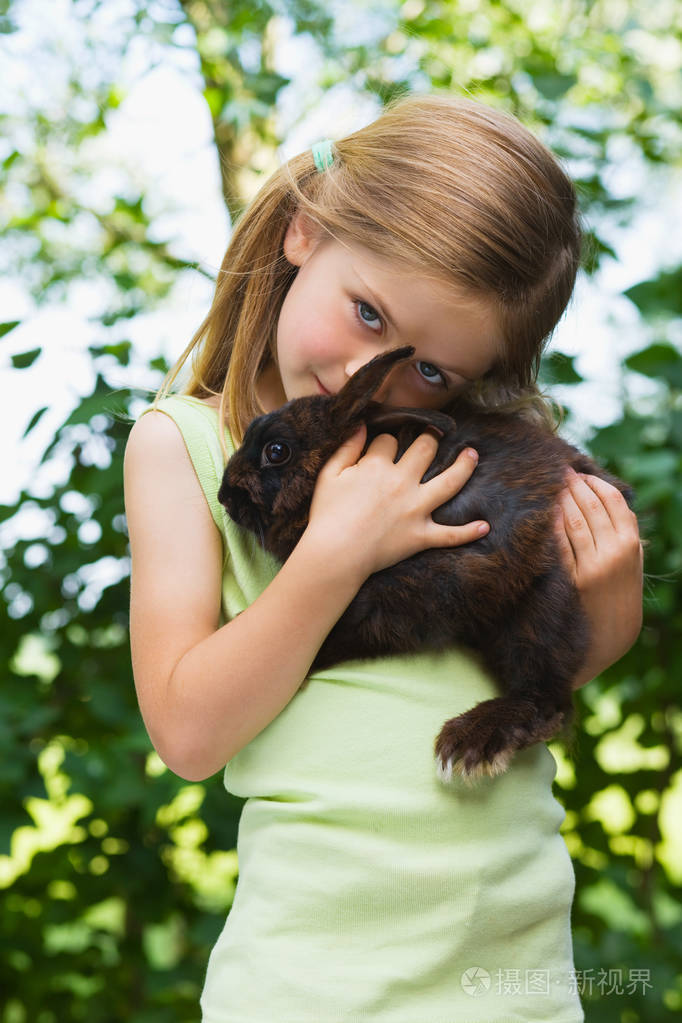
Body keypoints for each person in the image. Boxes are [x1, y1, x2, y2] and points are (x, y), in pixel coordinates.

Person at [124, 93, 643, 1022]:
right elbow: (188, 732)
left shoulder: (457, 456)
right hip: (310, 988)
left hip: (516, 986)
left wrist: (610, 604)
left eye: (434, 371)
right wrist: (332, 555)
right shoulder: (188, 448)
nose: (385, 376)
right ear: (304, 232)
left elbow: (530, 672)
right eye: (368, 312)